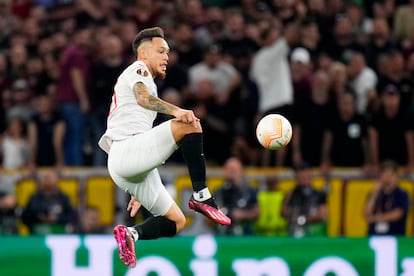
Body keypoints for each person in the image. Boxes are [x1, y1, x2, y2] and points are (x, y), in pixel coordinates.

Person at [98, 27, 231, 268]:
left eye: (168, 52)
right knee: (189, 124)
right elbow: (142, 98)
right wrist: (177, 110)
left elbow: (132, 126)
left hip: (128, 162)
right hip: (126, 153)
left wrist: (136, 182)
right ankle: (202, 196)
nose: (166, 57)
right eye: (161, 51)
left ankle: (131, 234)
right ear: (144, 53)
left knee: (177, 221)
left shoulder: (145, 80)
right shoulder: (138, 70)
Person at [20, 170, 78, 234]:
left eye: (50, 179)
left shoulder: (63, 198)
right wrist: (39, 217)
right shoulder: (34, 198)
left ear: (56, 180)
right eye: (45, 178)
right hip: (38, 232)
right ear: (41, 181)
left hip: (59, 232)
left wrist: (57, 218)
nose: (48, 181)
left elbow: (73, 217)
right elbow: (24, 218)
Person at [214, 157, 260, 235]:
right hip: (223, 235)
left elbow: (257, 213)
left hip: (244, 235)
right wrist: (217, 214)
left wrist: (242, 214)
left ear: (241, 171)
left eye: (234, 170)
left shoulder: (250, 191)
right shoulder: (218, 192)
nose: (231, 172)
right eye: (229, 169)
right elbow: (207, 217)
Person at [364, 160, 409, 236]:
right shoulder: (374, 193)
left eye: (391, 173)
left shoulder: (402, 194)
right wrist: (375, 192)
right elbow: (366, 213)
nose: (388, 176)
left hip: (395, 236)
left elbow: (398, 214)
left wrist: (375, 218)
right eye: (385, 173)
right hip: (374, 236)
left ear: (396, 176)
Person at [282, 162, 327, 237]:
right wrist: (287, 198)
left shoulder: (319, 194)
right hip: (294, 234)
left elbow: (322, 215)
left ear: (310, 177)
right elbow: (283, 212)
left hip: (314, 235)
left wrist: (303, 220)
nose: (303, 179)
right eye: (300, 177)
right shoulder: (291, 194)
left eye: (305, 177)